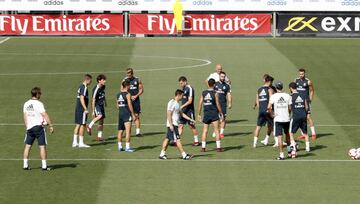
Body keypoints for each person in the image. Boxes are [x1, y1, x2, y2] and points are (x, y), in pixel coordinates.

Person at [23, 87, 54, 171]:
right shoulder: (39, 104)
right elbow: (45, 115)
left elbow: (25, 116)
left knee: (27, 146)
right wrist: (50, 125)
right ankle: (44, 166)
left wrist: (27, 126)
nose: (40, 95)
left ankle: (25, 165)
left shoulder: (26, 104)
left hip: (29, 128)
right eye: (40, 93)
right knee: (42, 147)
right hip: (39, 128)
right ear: (36, 94)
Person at [159, 89, 194, 160]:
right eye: (182, 96)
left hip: (174, 124)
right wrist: (171, 125)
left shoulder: (177, 104)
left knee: (168, 139)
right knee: (177, 139)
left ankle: (162, 154)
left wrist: (190, 119)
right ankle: (184, 155)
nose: (182, 97)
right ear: (178, 95)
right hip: (173, 125)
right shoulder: (172, 102)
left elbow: (182, 114)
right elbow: (169, 113)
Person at [268, 81, 295, 160]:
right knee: (287, 135)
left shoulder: (273, 96)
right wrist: (287, 113)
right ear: (282, 87)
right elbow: (290, 108)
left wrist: (272, 114)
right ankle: (289, 152)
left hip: (278, 119)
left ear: (276, 88)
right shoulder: (287, 96)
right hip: (286, 119)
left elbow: (269, 107)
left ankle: (281, 155)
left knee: (280, 137)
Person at [198, 79, 224, 152]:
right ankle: (218, 148)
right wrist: (221, 113)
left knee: (205, 131)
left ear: (208, 84)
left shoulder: (204, 93)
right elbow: (218, 104)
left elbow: (200, 103)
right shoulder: (215, 93)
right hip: (214, 113)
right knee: (216, 130)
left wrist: (199, 114)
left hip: (206, 113)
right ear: (214, 85)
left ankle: (203, 148)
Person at [295, 68, 316, 140]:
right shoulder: (296, 80)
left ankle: (313, 133)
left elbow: (312, 90)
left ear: (304, 74)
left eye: (302, 74)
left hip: (306, 102)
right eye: (300, 74)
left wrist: (310, 99)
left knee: (308, 117)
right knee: (301, 118)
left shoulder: (308, 81)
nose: (301, 75)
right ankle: (303, 134)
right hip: (298, 102)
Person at [253, 75, 274, 148]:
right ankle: (277, 142)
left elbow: (257, 101)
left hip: (261, 110)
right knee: (274, 125)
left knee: (258, 127)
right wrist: (270, 110)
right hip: (267, 110)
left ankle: (254, 143)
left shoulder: (259, 89)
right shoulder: (269, 89)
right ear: (270, 82)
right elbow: (271, 100)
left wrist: (259, 108)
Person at [289, 82, 310, 153]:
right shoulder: (303, 94)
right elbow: (306, 107)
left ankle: (293, 146)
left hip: (295, 117)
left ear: (291, 88)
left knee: (291, 133)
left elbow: (290, 108)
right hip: (303, 116)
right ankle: (308, 148)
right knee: (305, 133)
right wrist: (305, 113)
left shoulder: (291, 96)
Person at [178, 76, 200, 146]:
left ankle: (196, 141)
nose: (180, 85)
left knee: (191, 126)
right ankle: (176, 141)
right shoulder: (183, 88)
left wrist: (182, 106)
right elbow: (183, 98)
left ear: (185, 81)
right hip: (183, 111)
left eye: (181, 83)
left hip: (189, 111)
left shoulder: (190, 88)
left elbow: (190, 101)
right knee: (180, 125)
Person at [116, 80, 137, 152]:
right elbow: (130, 105)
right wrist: (133, 114)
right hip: (126, 114)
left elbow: (117, 106)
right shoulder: (128, 94)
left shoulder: (118, 94)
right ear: (127, 86)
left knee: (120, 131)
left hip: (120, 114)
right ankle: (127, 147)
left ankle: (120, 146)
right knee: (128, 131)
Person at [123, 68, 144, 136]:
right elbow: (121, 90)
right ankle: (127, 131)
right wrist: (128, 96)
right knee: (127, 116)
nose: (128, 74)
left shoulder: (137, 80)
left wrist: (136, 95)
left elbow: (141, 89)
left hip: (136, 101)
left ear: (132, 73)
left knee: (136, 115)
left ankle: (138, 132)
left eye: (129, 73)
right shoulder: (124, 80)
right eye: (127, 73)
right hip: (127, 101)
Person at [73, 74, 92, 148]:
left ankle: (75, 142)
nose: (91, 82)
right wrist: (85, 108)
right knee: (83, 125)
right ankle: (81, 143)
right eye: (90, 81)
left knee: (78, 124)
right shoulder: (84, 87)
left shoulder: (81, 86)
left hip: (78, 108)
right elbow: (81, 98)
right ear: (87, 80)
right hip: (82, 109)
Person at [87, 74, 107, 141]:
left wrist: (105, 102)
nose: (105, 81)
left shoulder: (103, 86)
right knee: (100, 116)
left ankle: (99, 136)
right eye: (103, 80)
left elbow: (103, 94)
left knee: (101, 121)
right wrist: (93, 111)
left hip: (101, 105)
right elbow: (93, 100)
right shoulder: (96, 89)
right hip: (97, 105)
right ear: (99, 81)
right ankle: (89, 126)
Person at [214, 71, 232, 139]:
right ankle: (216, 130)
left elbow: (229, 94)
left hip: (223, 104)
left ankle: (221, 133)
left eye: (224, 77)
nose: (223, 78)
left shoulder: (227, 86)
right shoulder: (215, 84)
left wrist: (230, 103)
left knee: (223, 118)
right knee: (216, 119)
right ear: (219, 76)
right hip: (215, 104)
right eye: (221, 76)